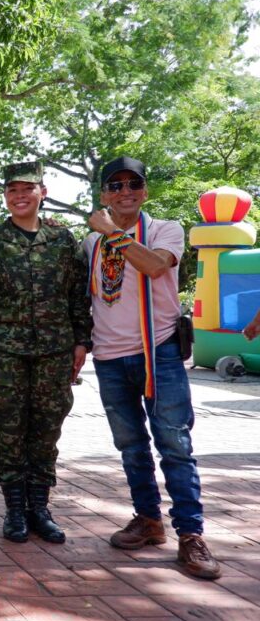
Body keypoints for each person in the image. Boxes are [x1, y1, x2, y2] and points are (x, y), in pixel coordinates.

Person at [86, 156, 221, 579]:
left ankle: (191, 535)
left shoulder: (165, 229)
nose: (125, 192)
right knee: (130, 446)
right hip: (108, 356)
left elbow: (155, 265)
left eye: (134, 184)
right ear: (104, 193)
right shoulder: (88, 244)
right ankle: (148, 520)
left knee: (174, 444)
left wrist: (112, 231)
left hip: (156, 350)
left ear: (145, 190)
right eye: (116, 185)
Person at [0, 162, 92, 544]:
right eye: (12, 190)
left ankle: (40, 508)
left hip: (54, 352)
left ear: (43, 192)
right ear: (5, 196)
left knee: (46, 431)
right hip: (4, 354)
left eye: (27, 189)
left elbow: (77, 295)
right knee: (8, 431)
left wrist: (81, 341)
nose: (19, 196)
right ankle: (15, 511)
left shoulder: (62, 240)